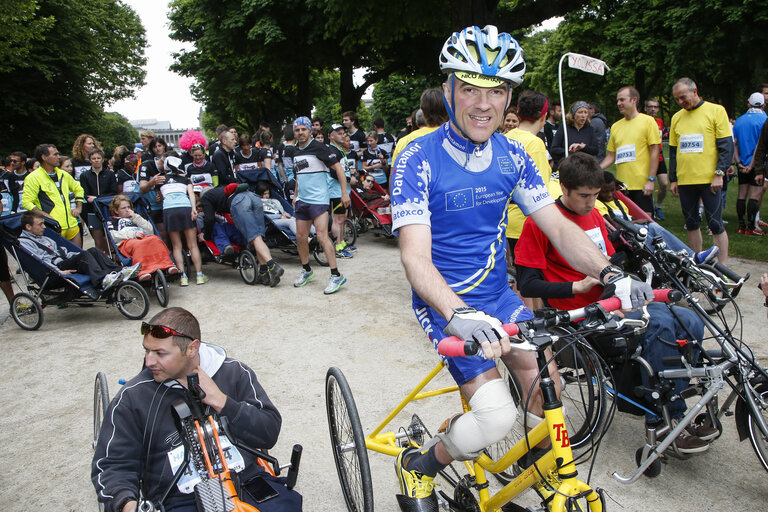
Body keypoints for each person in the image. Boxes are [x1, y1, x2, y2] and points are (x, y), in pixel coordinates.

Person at [389, 25, 652, 509]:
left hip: (501, 297)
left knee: (545, 392)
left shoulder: (514, 154)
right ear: (448, 89)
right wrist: (455, 312)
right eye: (469, 87)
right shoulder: (416, 159)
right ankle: (419, 466)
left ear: (509, 95)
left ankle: (534, 472)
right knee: (494, 417)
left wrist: (611, 273)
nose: (483, 103)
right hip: (447, 303)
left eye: (496, 90)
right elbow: (415, 258)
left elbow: (560, 228)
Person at [516, 152, 714, 454]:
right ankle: (667, 422)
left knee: (689, 320)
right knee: (657, 326)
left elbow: (611, 259)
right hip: (581, 316)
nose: (590, 203)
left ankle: (681, 398)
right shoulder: (539, 224)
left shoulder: (594, 215)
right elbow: (528, 283)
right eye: (584, 196)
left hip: (613, 303)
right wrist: (576, 286)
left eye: (595, 195)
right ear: (564, 189)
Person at [91, 307, 300, 512]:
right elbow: (112, 465)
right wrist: (127, 504)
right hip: (176, 497)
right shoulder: (132, 397)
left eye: (160, 353)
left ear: (192, 348)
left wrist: (223, 402)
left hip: (247, 481)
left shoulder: (234, 373)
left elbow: (269, 433)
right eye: (147, 350)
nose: (149, 361)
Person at [504, 90, 563, 311]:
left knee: (519, 274)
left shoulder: (504, 137)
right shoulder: (534, 144)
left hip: (508, 220)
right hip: (527, 222)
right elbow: (538, 190)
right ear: (544, 115)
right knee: (531, 280)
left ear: (518, 113)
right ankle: (531, 324)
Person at [668, 77, 733, 264]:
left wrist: (719, 173)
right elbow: (674, 150)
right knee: (690, 222)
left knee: (715, 223)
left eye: (683, 97)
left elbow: (726, 146)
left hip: (710, 179)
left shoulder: (716, 110)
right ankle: (696, 263)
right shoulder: (676, 117)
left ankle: (723, 268)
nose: (681, 102)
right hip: (686, 180)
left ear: (695, 91)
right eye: (677, 99)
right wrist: (673, 179)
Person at [597, 172, 719, 264]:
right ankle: (677, 259)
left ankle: (691, 256)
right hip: (625, 234)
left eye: (612, 191)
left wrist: (636, 221)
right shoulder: (598, 204)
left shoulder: (619, 202)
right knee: (645, 230)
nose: (609, 194)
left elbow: (628, 216)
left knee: (654, 227)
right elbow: (612, 224)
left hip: (634, 228)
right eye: (605, 192)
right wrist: (636, 221)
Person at [18, 210, 139, 298]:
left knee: (93, 251)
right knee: (83, 256)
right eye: (40, 224)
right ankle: (102, 279)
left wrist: (77, 255)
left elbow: (62, 251)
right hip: (53, 272)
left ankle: (120, 271)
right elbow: (38, 262)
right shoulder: (23, 243)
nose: (44, 227)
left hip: (63, 261)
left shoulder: (44, 237)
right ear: (28, 227)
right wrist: (57, 271)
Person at [291, 116, 349, 294]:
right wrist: (295, 195)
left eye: (303, 129)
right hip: (303, 200)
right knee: (301, 237)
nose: (300, 133)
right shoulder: (295, 151)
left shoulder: (320, 148)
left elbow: (338, 168)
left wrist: (344, 193)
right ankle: (307, 270)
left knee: (323, 236)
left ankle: (336, 275)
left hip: (320, 200)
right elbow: (299, 176)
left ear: (310, 131)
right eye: (297, 130)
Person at [198, 183, 284, 287]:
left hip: (240, 202)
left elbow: (209, 219)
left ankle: (273, 266)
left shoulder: (205, 198)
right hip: (254, 198)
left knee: (255, 238)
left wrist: (206, 236)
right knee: (258, 238)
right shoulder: (219, 190)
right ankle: (263, 273)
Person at [599, 86, 661, 216]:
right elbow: (611, 156)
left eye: (622, 100)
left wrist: (651, 180)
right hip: (621, 188)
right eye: (617, 100)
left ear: (634, 100)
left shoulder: (648, 121)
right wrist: (597, 168)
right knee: (626, 223)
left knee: (645, 223)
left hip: (642, 186)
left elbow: (655, 152)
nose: (618, 103)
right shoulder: (616, 126)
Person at [157, 154, 207, 287]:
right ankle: (199, 275)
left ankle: (182, 276)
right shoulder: (185, 179)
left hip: (169, 211)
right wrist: (193, 209)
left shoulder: (161, 180)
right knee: (192, 245)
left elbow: (160, 197)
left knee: (176, 246)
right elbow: (191, 194)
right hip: (185, 209)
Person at [22, 144, 85, 246]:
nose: (58, 157)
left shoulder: (63, 174)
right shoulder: (33, 177)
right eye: (55, 154)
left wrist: (78, 207)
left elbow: (79, 189)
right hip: (53, 227)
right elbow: (27, 202)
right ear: (44, 157)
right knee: (60, 260)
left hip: (72, 225)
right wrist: (46, 216)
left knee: (80, 258)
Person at [107, 194, 180, 281]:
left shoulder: (138, 217)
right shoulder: (113, 221)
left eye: (128, 207)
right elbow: (113, 236)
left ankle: (168, 265)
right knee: (139, 244)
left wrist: (134, 217)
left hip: (144, 238)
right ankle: (143, 271)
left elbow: (149, 230)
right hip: (127, 242)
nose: (127, 210)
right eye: (123, 208)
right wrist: (133, 234)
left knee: (155, 239)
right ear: (116, 211)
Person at [732, 92, 767, 235]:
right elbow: (761, 146)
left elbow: (735, 143)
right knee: (755, 195)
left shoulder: (739, 120)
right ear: (763, 104)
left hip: (741, 164)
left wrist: (739, 163)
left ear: (748, 103)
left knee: (741, 194)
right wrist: (753, 165)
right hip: (758, 164)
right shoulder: (765, 119)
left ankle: (741, 225)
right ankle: (751, 227)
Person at [391, 88, 449, 163]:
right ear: (447, 111)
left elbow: (395, 173)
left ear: (423, 113)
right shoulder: (459, 139)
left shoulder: (404, 142)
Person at [80, 148, 118, 253]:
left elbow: (113, 192)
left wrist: (98, 198)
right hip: (92, 211)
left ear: (102, 159)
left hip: (107, 209)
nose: (96, 160)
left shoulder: (110, 174)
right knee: (98, 239)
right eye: (94, 158)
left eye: (98, 158)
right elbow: (85, 193)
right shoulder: (85, 175)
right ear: (90, 160)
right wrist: (90, 198)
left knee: (110, 237)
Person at [328, 123, 356, 258]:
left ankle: (342, 243)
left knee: (343, 218)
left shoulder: (338, 149)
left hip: (343, 189)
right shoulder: (332, 151)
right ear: (331, 136)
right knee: (338, 219)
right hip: (336, 190)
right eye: (338, 133)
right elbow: (333, 173)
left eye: (343, 132)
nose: (342, 135)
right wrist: (348, 178)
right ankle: (338, 247)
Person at [550, 101, 598, 168]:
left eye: (585, 112)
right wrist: (570, 151)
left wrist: (583, 147)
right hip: (566, 167)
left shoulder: (590, 129)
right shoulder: (564, 127)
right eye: (580, 112)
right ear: (573, 114)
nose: (583, 116)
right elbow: (554, 149)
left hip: (584, 168)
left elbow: (595, 150)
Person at [644, 98, 670, 220]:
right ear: (645, 108)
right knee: (649, 185)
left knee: (664, 183)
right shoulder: (642, 121)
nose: (653, 109)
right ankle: (650, 211)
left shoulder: (659, 121)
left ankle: (658, 206)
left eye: (655, 107)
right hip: (646, 159)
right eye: (651, 107)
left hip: (659, 157)